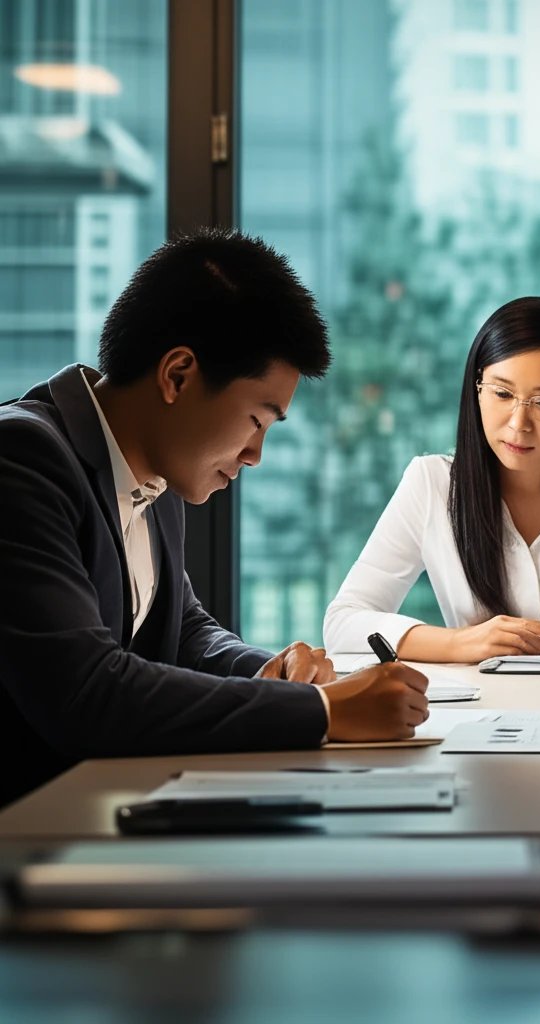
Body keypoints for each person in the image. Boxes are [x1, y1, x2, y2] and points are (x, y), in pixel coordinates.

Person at [0, 230, 428, 807]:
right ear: (177, 375)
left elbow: (181, 630)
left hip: (103, 808)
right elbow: (85, 693)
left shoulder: (154, 472)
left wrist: (264, 671)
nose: (255, 454)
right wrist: (323, 710)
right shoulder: (22, 460)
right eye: (257, 419)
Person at [323, 296, 540, 662]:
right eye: (503, 394)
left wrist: (519, 640)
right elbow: (343, 621)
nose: (517, 424)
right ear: (477, 387)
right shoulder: (430, 484)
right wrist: (464, 643)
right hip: (477, 708)